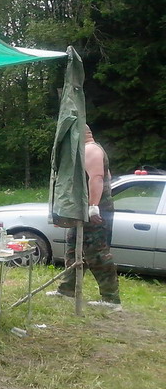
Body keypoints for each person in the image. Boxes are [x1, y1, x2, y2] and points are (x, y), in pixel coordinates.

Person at [50, 126, 121, 309]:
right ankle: (67, 289)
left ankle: (111, 299)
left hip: (95, 211)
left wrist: (93, 207)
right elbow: (108, 176)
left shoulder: (91, 150)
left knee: (97, 252)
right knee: (74, 249)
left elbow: (97, 178)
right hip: (81, 211)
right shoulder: (86, 150)